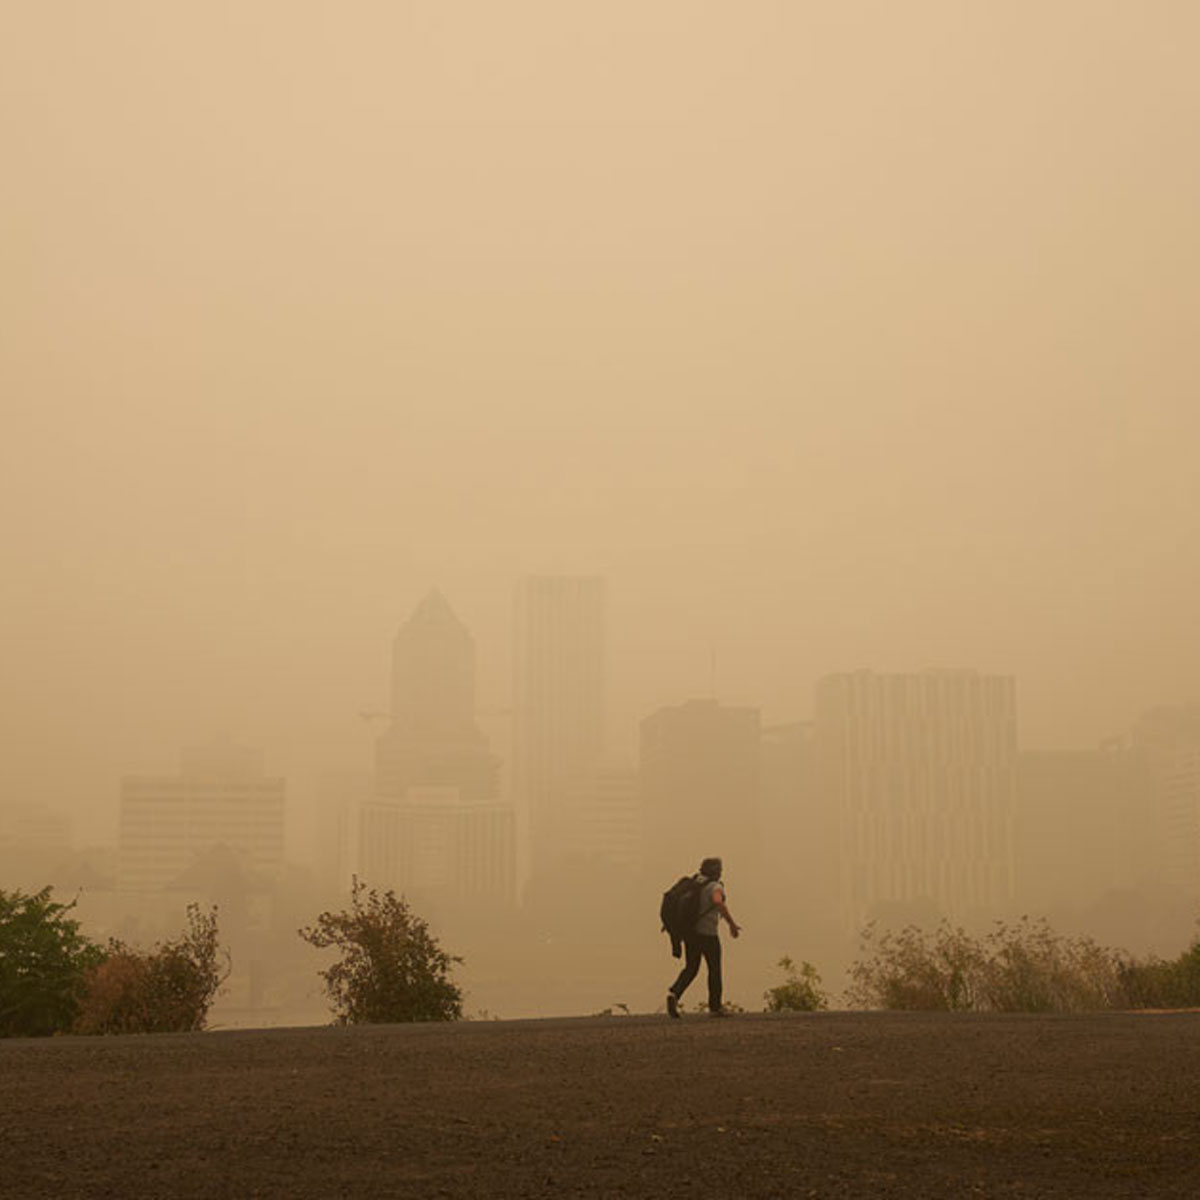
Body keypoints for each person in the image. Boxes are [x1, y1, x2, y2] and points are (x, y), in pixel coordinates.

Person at [666, 856, 741, 1018]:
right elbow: (718, 902)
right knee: (714, 969)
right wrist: (732, 925)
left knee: (691, 968)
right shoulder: (714, 886)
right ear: (716, 871)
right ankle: (715, 1007)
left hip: (691, 934)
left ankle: (674, 994)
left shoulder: (694, 883)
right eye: (720, 869)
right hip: (708, 935)